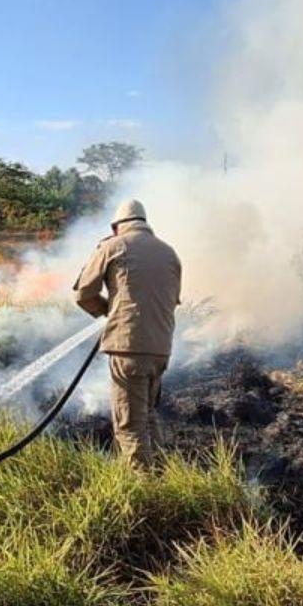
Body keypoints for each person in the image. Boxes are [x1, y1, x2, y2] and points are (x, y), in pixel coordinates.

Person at [73, 198, 182, 468]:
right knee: (147, 414)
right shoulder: (170, 253)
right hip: (161, 349)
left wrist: (111, 313)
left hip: (129, 349)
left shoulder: (113, 246)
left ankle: (143, 491)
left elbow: (82, 294)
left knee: (130, 426)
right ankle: (163, 473)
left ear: (116, 227)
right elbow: (172, 300)